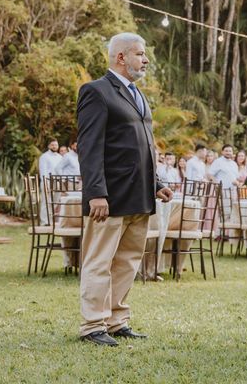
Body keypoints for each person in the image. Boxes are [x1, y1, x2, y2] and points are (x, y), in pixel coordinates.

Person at [76, 32, 173, 347]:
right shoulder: (97, 92)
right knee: (99, 261)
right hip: (109, 197)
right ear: (121, 56)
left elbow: (141, 147)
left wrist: (156, 184)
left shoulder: (139, 96)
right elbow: (90, 147)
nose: (145, 60)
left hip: (139, 196)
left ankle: (117, 321)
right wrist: (95, 193)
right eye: (140, 54)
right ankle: (93, 324)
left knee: (128, 261)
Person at [38, 138, 63, 225]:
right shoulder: (44, 157)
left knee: (55, 202)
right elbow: (43, 171)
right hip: (47, 181)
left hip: (58, 182)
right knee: (46, 201)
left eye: (56, 145)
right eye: (52, 145)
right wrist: (45, 183)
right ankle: (44, 222)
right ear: (49, 146)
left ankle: (51, 220)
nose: (54, 146)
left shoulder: (60, 157)